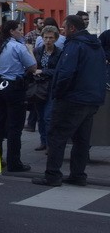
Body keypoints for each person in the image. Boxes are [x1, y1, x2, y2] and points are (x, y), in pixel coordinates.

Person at [33, 14, 107, 187]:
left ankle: (52, 175)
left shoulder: (74, 45)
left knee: (57, 137)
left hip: (72, 99)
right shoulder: (96, 46)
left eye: (64, 28)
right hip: (91, 99)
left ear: (72, 28)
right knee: (82, 140)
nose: (63, 31)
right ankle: (78, 175)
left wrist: (57, 93)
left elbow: (66, 73)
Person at [0, 20, 36, 173]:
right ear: (12, 31)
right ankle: (14, 162)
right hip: (14, 87)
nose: (21, 32)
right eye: (19, 29)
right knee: (15, 126)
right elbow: (32, 67)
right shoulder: (18, 47)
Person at [31, 25, 62, 151]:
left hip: (52, 87)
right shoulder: (38, 50)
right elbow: (32, 66)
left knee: (48, 116)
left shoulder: (59, 52)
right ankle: (43, 141)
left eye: (51, 38)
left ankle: (50, 144)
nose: (48, 40)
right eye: (45, 37)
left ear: (55, 39)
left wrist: (42, 71)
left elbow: (59, 71)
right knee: (40, 116)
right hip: (38, 87)